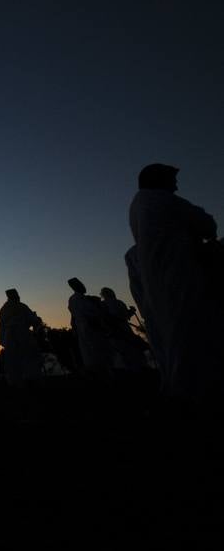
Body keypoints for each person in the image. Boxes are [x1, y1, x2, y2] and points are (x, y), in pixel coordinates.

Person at [129, 163, 221, 401]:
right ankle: (194, 396)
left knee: (175, 337)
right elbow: (207, 225)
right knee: (192, 336)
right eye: (172, 180)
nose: (176, 186)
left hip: (160, 282)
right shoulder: (161, 200)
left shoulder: (139, 204)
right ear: (158, 180)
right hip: (180, 277)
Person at [67, 278, 114, 378]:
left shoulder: (81, 299)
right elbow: (80, 316)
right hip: (90, 329)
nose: (83, 286)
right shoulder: (77, 300)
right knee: (97, 355)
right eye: (80, 285)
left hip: (88, 329)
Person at [0, 289, 44, 387]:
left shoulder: (4, 309)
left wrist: (2, 340)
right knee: (27, 357)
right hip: (22, 335)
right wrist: (37, 321)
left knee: (13, 360)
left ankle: (16, 381)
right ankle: (30, 379)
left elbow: (1, 326)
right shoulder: (22, 307)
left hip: (9, 337)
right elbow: (33, 320)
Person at [99, 287, 148, 372]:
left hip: (113, 333)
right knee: (132, 352)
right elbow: (126, 315)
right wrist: (132, 311)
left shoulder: (103, 305)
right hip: (123, 331)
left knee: (122, 355)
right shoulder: (118, 303)